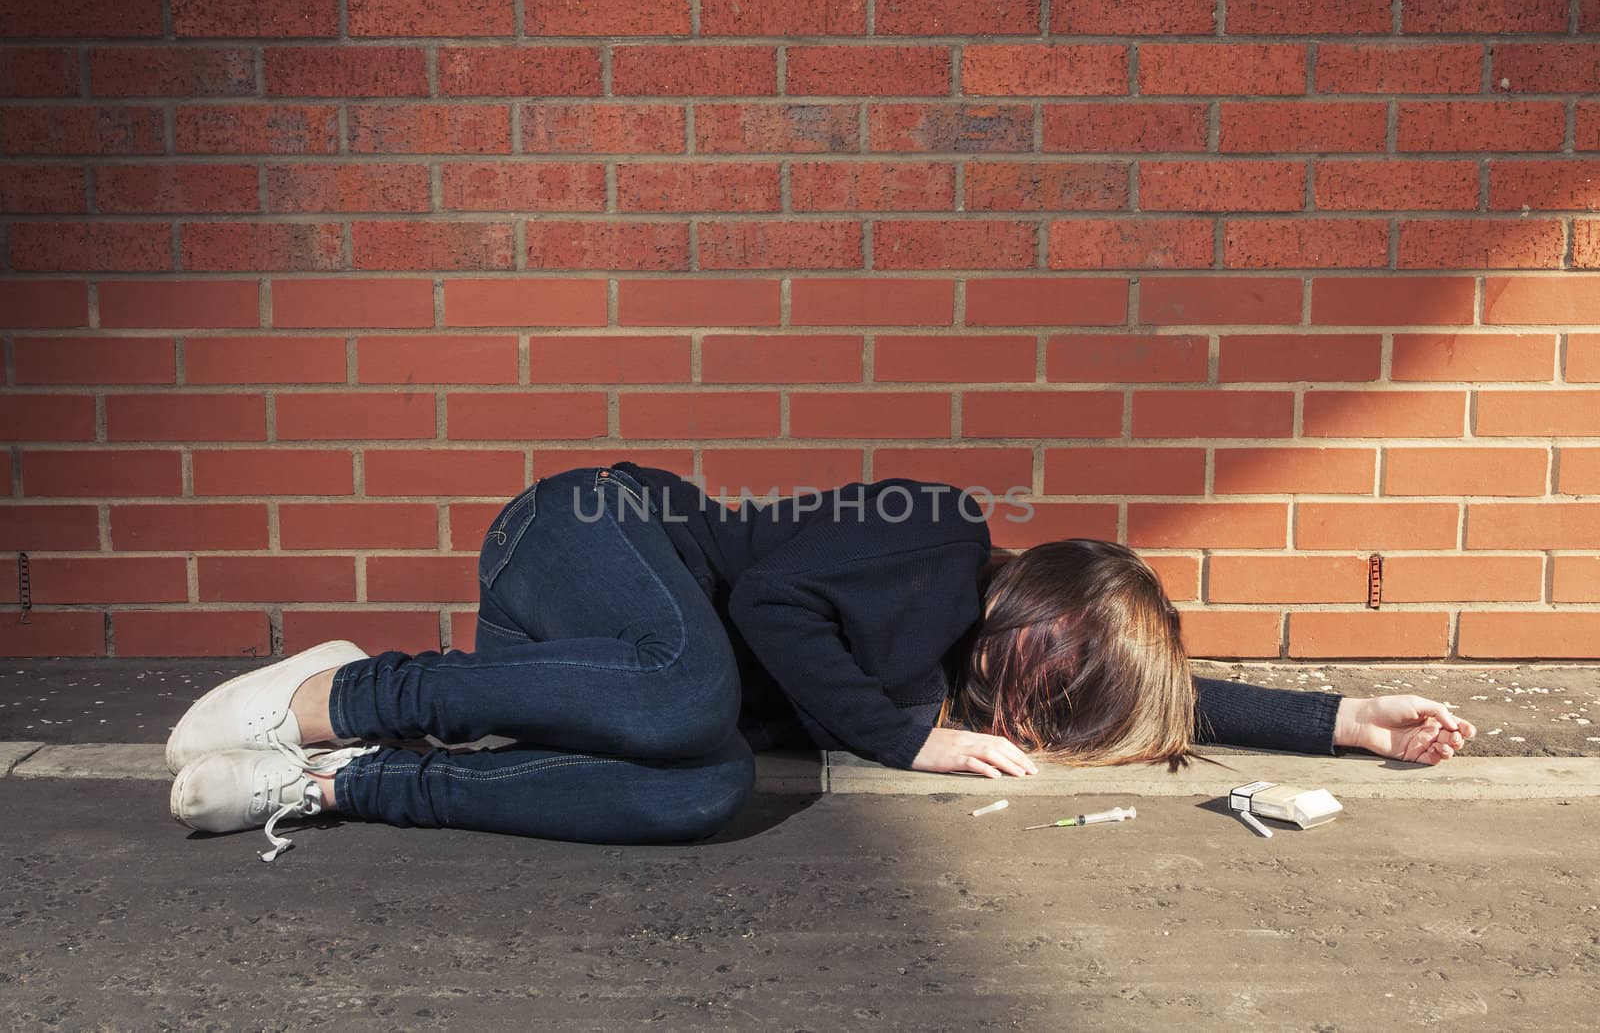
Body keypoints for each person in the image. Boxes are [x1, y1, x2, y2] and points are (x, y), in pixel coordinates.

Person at [167, 462, 1476, 861]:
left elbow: (1164, 694)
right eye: (1055, 702)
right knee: (695, 694)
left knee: (706, 785)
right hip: (585, 537)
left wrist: (1349, 719)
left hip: (576, 663)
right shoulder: (941, 541)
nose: (1036, 733)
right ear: (1040, 629)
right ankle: (341, 693)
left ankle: (357, 783)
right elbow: (781, 605)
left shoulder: (953, 685)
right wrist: (903, 740)